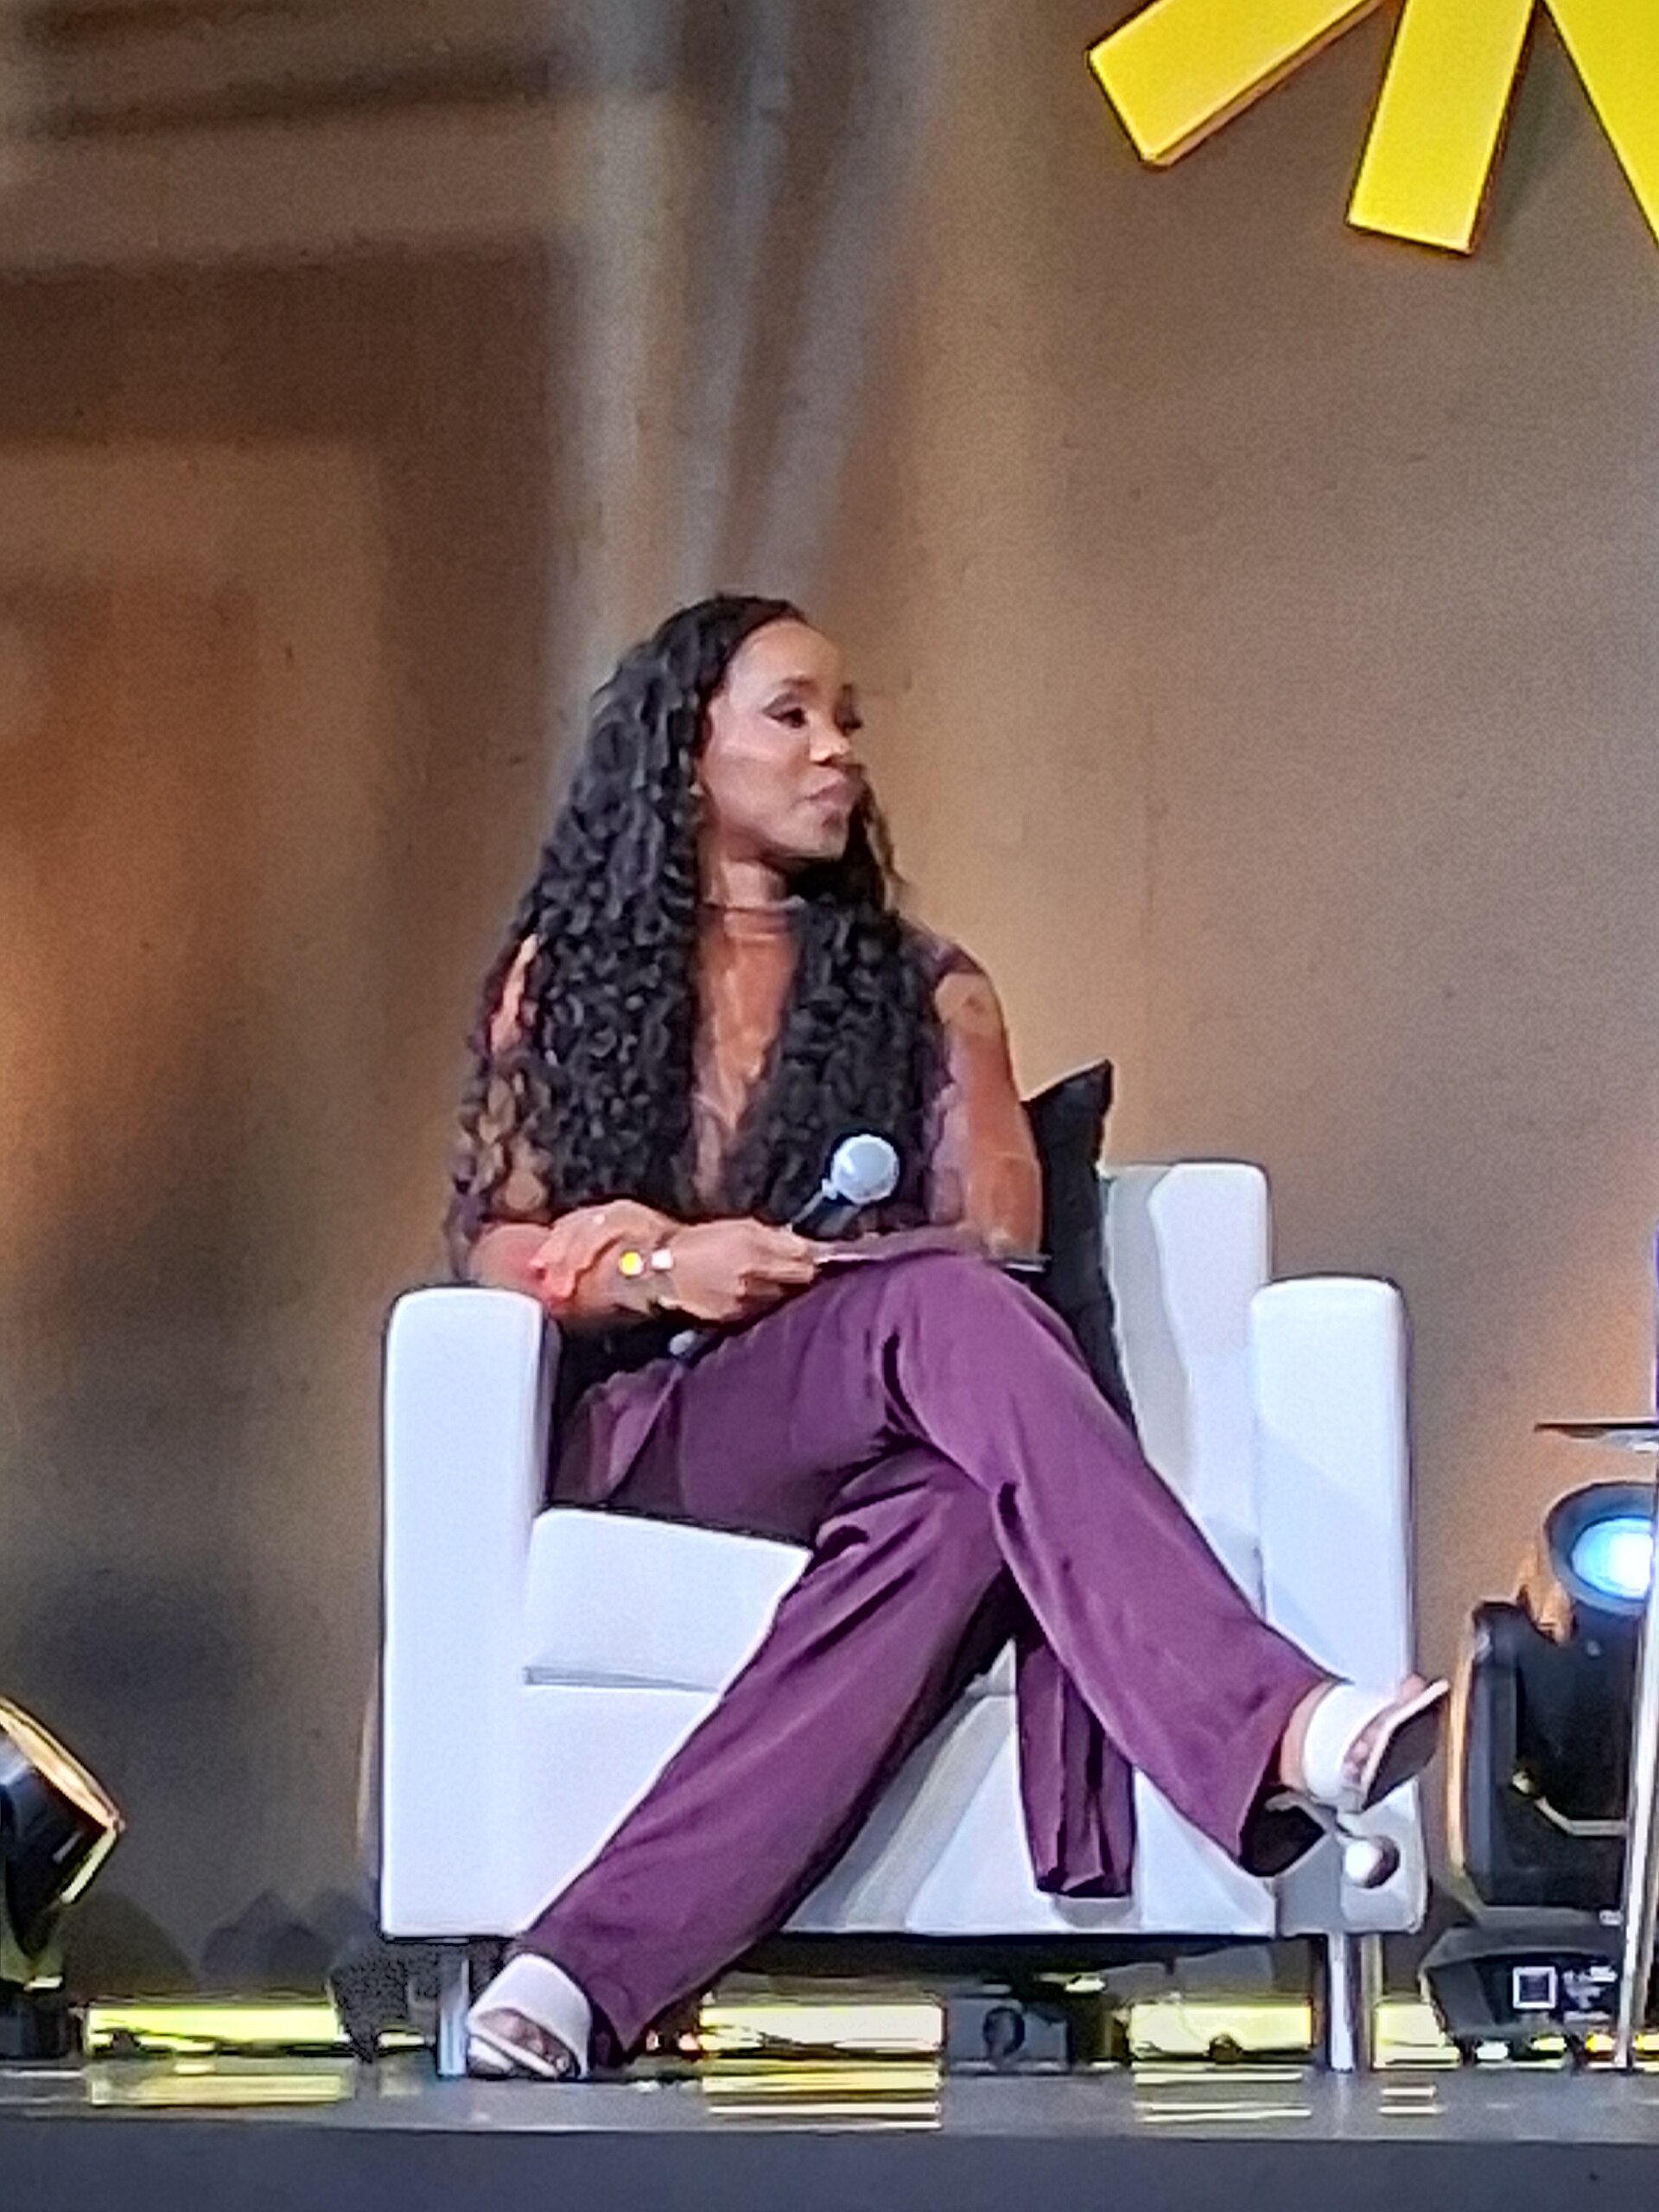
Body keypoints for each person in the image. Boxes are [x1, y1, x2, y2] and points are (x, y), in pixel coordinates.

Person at [447, 594, 1446, 2081]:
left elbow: (1002, 1252)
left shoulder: (931, 988)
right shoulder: (569, 977)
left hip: (877, 1402)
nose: (835, 752)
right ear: (685, 753)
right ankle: (1279, 1724)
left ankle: (577, 1976)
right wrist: (661, 1260)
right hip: (667, 1432)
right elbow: (495, 1248)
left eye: (848, 721)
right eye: (790, 716)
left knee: (955, 1498)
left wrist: (828, 1268)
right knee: (943, 1329)